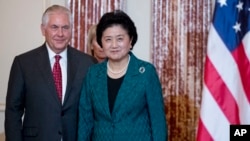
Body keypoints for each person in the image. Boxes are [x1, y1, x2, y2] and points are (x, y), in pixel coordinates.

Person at [5, 5, 96, 141]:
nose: (60, 33)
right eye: (54, 27)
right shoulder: (23, 63)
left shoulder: (87, 63)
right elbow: (13, 112)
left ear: (71, 30)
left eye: (65, 27)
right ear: (43, 29)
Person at [78, 10, 168, 141]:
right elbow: (85, 121)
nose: (114, 45)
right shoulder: (92, 74)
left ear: (130, 40)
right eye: (108, 39)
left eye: (120, 39)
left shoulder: (146, 73)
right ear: (101, 43)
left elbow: (158, 122)